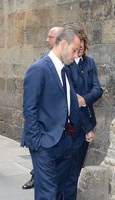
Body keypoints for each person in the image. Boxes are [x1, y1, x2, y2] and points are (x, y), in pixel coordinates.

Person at [21, 27, 81, 200]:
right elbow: (29, 108)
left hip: (65, 142)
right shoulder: (38, 69)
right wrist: (37, 142)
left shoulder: (66, 70)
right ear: (62, 44)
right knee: (47, 194)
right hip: (45, 143)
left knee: (59, 192)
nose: (76, 55)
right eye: (74, 50)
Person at [63, 28, 103, 200]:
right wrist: (88, 129)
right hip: (72, 125)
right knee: (69, 171)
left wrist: (84, 99)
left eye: (82, 43)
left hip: (87, 121)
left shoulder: (90, 63)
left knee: (77, 167)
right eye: (76, 44)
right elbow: (70, 98)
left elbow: (97, 89)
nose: (79, 48)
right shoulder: (65, 64)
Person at [22, 26, 64, 190]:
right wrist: (35, 140)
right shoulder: (41, 65)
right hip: (43, 135)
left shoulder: (66, 65)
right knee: (46, 187)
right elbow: (30, 105)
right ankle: (35, 176)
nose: (47, 40)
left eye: (50, 37)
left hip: (59, 135)